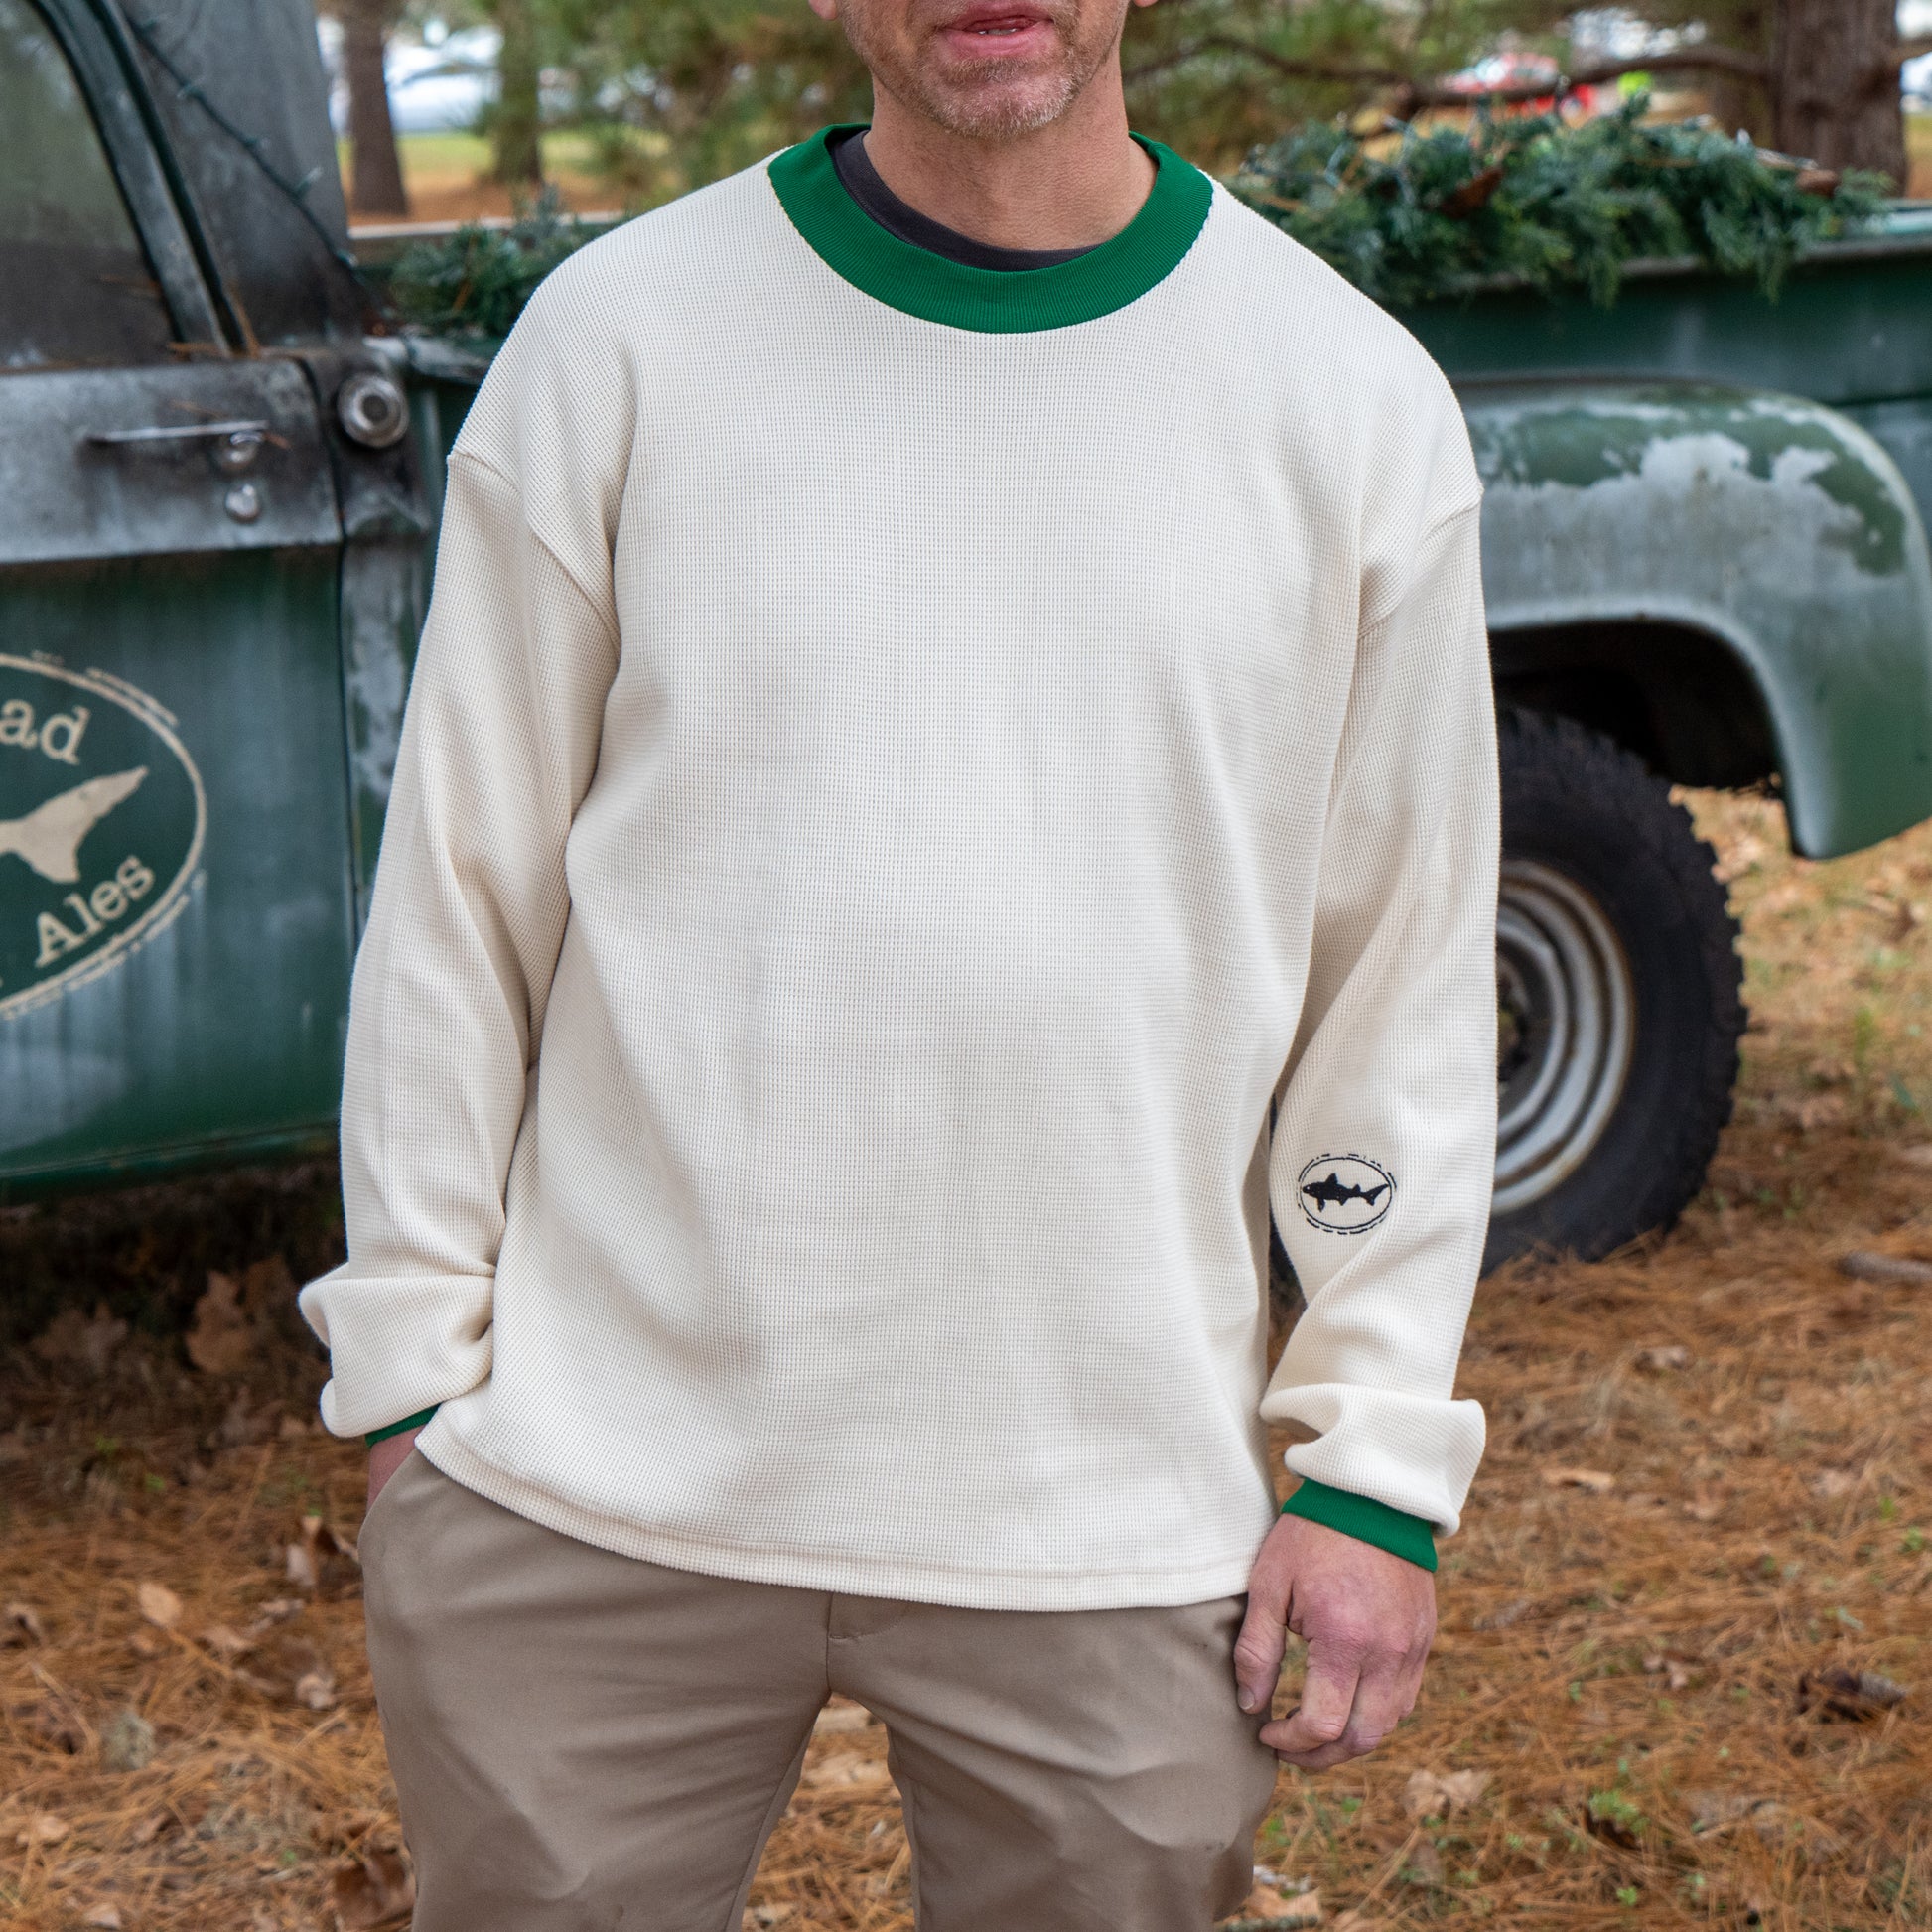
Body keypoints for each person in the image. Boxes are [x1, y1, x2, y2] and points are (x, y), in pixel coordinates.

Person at [299, 0, 1498, 1922]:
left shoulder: (1345, 406)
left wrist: (1364, 1464)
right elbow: (461, 897)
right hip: (590, 1499)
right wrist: (412, 1393)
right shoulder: (619, 346)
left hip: (1107, 1513)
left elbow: (1404, 991)